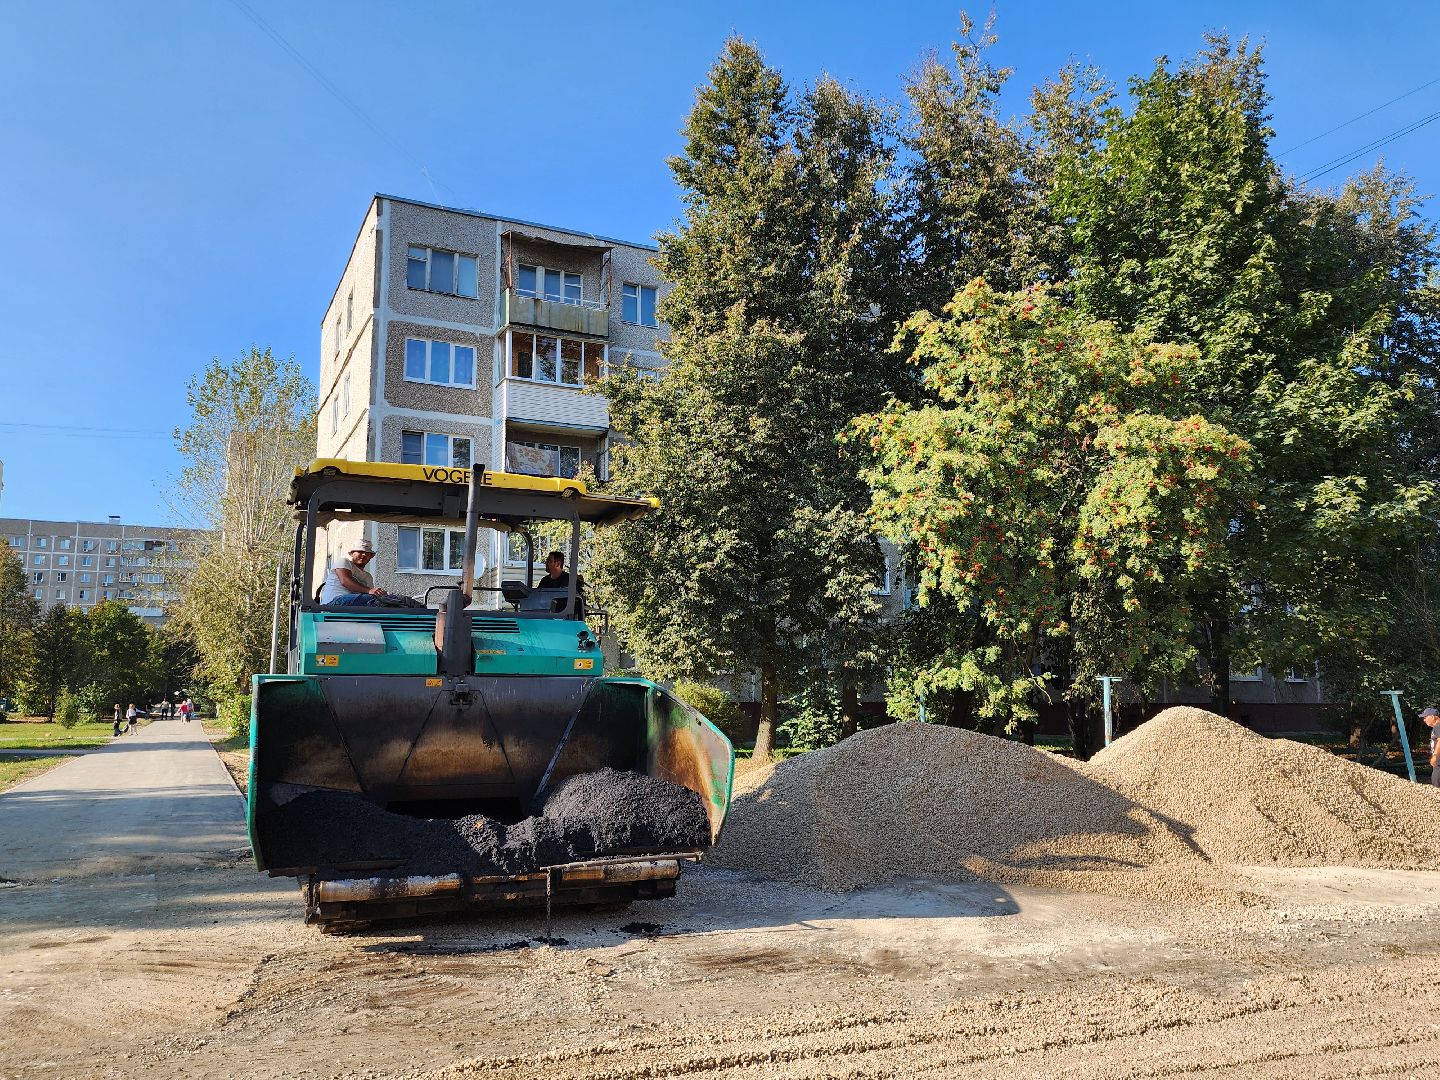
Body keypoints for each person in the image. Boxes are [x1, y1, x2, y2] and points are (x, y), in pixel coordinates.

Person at [319, 538, 390, 606]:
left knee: (384, 599)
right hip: (334, 602)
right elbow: (345, 581)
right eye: (360, 551)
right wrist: (370, 591)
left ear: (370, 556)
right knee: (376, 600)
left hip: (353, 606)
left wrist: (379, 593)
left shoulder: (368, 577)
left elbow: (370, 595)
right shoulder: (344, 562)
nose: (364, 554)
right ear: (352, 553)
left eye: (367, 553)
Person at [1422, 706, 1440, 788]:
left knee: (1436, 785)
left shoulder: (1438, 726)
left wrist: (1435, 756)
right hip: (1438, 763)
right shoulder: (1436, 727)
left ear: (1432, 717)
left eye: (1425, 717)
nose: (1424, 720)